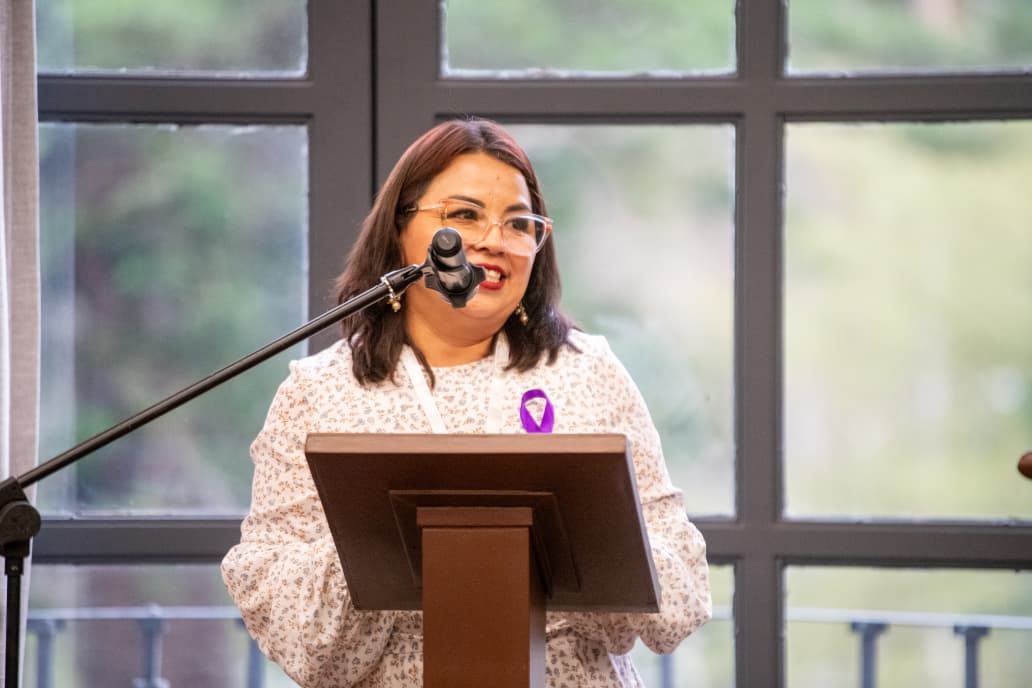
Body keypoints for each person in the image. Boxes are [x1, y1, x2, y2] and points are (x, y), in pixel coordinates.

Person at [221, 117, 712, 687]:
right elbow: (296, 635)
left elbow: (679, 593)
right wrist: (384, 528)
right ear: (399, 230)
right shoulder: (318, 393)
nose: (493, 240)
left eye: (518, 223)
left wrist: (587, 531)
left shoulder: (588, 371)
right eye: (465, 215)